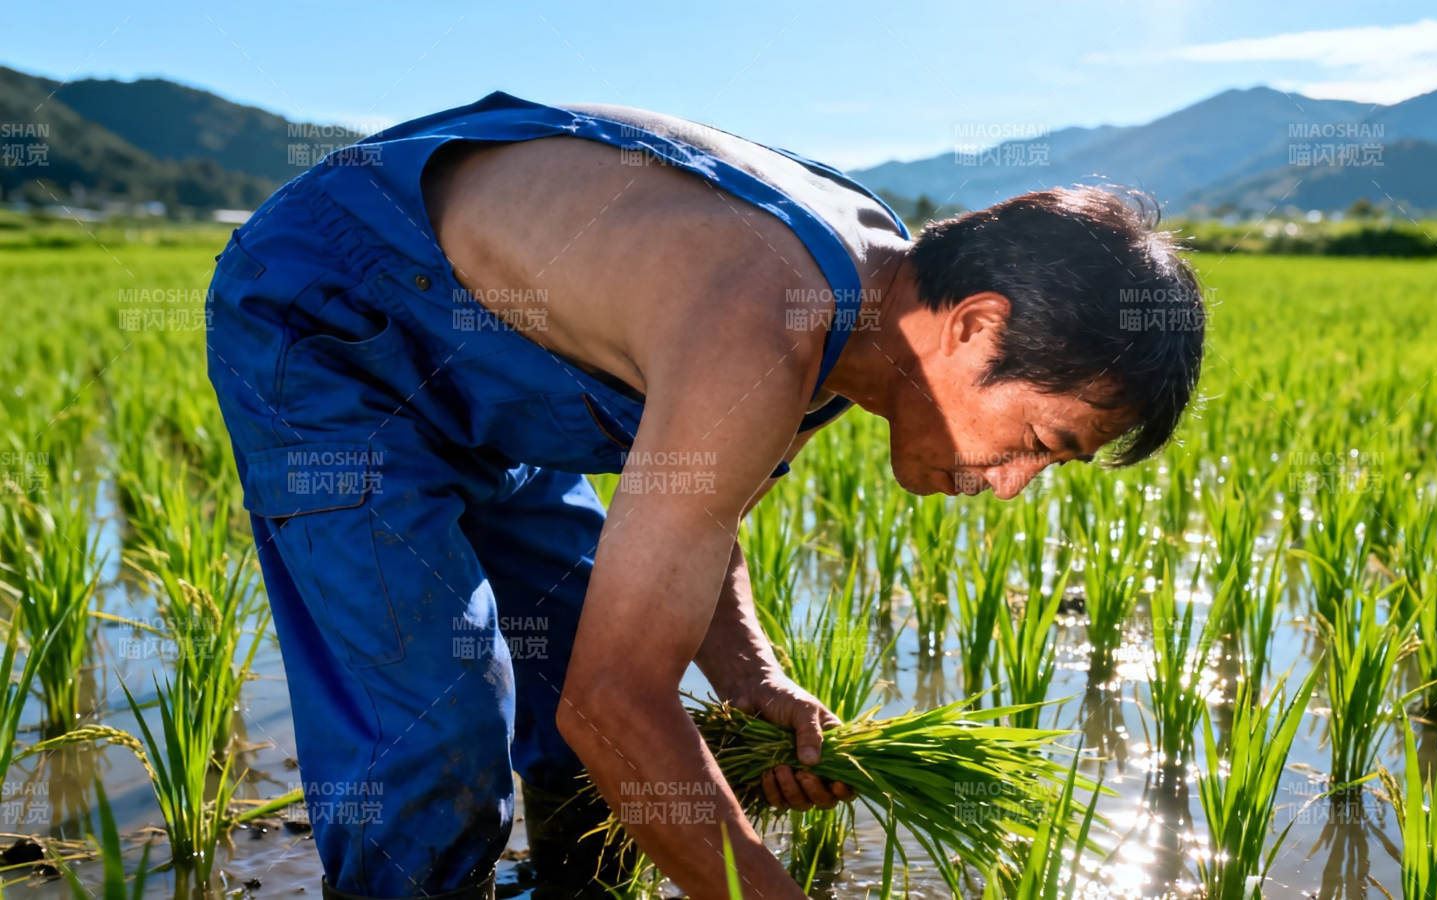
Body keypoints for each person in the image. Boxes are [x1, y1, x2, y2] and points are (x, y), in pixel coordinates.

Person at [205, 91, 1205, 900]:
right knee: (434, 722)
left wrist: (750, 675)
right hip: (334, 319)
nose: (1013, 487)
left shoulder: (870, 316)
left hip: (492, 368)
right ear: (977, 329)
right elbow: (620, 701)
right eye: (1039, 442)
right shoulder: (768, 314)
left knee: (564, 672)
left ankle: (574, 883)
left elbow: (700, 513)